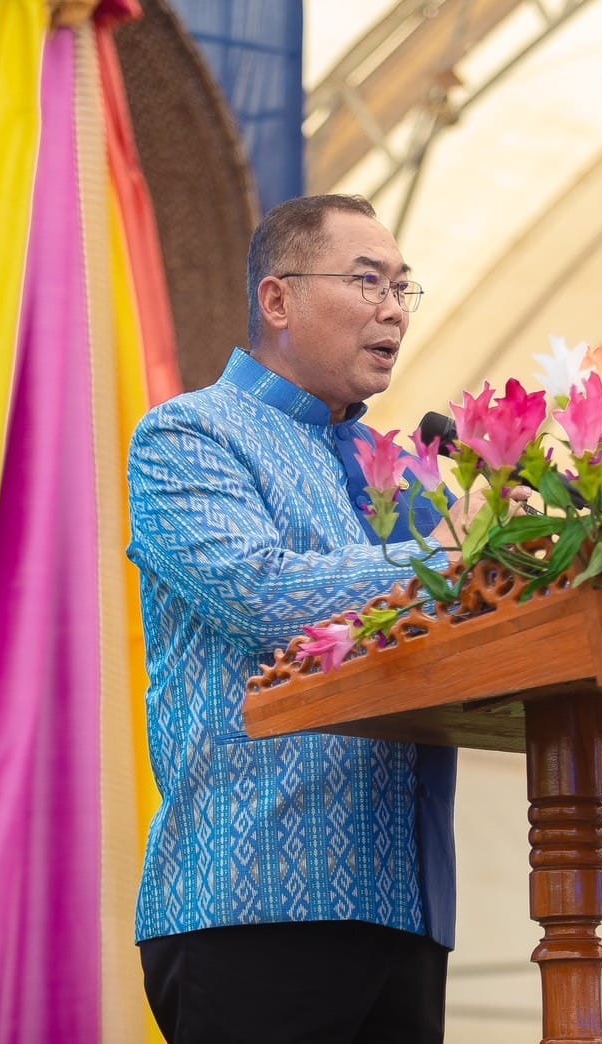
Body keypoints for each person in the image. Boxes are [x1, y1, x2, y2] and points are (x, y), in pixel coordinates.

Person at [126, 194, 459, 1043]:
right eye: (367, 281)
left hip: (407, 909)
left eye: (402, 287)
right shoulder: (189, 435)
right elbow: (258, 590)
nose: (394, 309)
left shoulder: (399, 477)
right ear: (278, 300)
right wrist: (452, 561)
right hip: (255, 897)